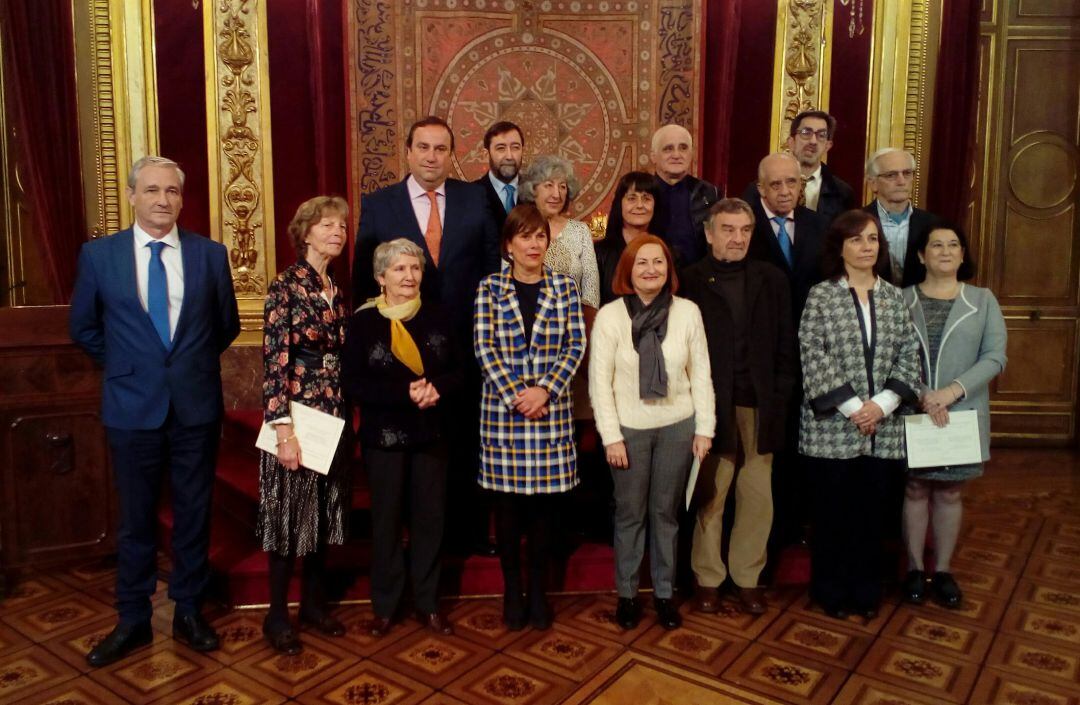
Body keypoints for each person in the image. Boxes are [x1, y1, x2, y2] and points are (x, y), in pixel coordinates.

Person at [70, 156, 240, 667]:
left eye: (171, 191)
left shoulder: (210, 255)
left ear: (182, 199)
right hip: (130, 407)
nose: (162, 200)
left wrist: (182, 369)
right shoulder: (100, 256)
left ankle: (188, 609)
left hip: (195, 406)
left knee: (193, 514)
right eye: (151, 190)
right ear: (132, 196)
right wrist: (128, 365)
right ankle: (133, 618)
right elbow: (84, 327)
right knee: (136, 519)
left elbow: (225, 325)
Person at [352, 116, 500, 557]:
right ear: (409, 151)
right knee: (413, 456)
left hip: (464, 346)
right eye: (424, 147)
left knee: (462, 441)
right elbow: (364, 276)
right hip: (401, 350)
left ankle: (466, 538)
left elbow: (492, 265)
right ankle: (409, 549)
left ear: (450, 154)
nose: (432, 156)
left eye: (441, 148)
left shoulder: (475, 199)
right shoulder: (380, 203)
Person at [798, 210, 921, 620]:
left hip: (882, 429)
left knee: (871, 517)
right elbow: (812, 355)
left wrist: (881, 405)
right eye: (856, 240)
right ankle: (831, 591)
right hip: (833, 428)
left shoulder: (894, 296)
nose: (866, 246)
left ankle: (865, 591)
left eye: (872, 239)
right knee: (832, 515)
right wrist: (854, 409)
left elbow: (908, 355)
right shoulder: (822, 295)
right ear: (840, 247)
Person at [590, 235, 714, 631]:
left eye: (658, 262)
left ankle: (663, 594)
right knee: (630, 516)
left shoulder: (688, 312)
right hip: (628, 430)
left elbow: (701, 374)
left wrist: (704, 429)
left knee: (666, 515)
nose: (650, 270)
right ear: (628, 270)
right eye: (641, 263)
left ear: (668, 269)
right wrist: (610, 436)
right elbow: (599, 383)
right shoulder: (611, 317)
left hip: (678, 426)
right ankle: (627, 595)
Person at [680, 199, 797, 615]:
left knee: (757, 495)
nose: (737, 238)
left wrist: (781, 393)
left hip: (761, 403)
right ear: (710, 233)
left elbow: (786, 343)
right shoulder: (691, 280)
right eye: (728, 229)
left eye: (745, 230)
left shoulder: (771, 278)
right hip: (713, 405)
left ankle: (747, 577)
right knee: (714, 493)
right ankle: (708, 578)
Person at [474, 203, 585, 630]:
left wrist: (545, 391)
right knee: (508, 515)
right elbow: (485, 348)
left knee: (543, 516)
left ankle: (538, 591)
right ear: (509, 245)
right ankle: (512, 591)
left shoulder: (565, 288)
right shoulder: (488, 289)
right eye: (525, 236)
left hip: (550, 415)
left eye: (540, 236)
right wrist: (518, 395)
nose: (534, 244)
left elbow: (575, 345)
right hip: (504, 417)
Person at [344, 238, 461, 637]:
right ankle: (386, 606)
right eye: (399, 269)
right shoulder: (362, 323)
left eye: (415, 268)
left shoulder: (440, 316)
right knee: (387, 523)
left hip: (432, 433)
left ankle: (428, 604)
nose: (409, 276)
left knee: (431, 521)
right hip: (384, 436)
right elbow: (353, 382)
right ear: (381, 277)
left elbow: (463, 371)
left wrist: (438, 389)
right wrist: (403, 394)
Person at [257, 196, 351, 654]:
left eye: (342, 227)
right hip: (296, 417)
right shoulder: (285, 286)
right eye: (327, 225)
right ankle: (277, 616)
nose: (337, 232)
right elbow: (275, 361)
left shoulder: (334, 288)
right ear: (306, 233)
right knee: (288, 519)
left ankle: (313, 605)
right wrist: (283, 431)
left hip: (332, 417)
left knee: (323, 516)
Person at [900, 222, 1007, 609]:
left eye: (953, 245)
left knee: (949, 491)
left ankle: (942, 571)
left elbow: (995, 357)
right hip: (914, 409)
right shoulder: (901, 298)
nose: (945, 251)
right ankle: (914, 568)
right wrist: (922, 395)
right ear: (921, 255)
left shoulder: (983, 300)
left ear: (963, 255)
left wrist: (950, 392)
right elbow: (890, 354)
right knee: (914, 488)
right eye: (936, 245)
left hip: (961, 411)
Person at [746, 152, 827, 321]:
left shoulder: (820, 225)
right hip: (761, 325)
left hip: (808, 326)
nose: (785, 192)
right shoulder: (744, 226)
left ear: (800, 185)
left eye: (791, 182)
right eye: (776, 184)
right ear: (761, 188)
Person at [518, 154, 600, 311]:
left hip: (573, 323)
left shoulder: (580, 231)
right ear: (532, 189)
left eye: (562, 186)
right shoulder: (518, 228)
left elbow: (591, 290)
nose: (557, 194)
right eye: (549, 185)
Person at [862, 148, 936, 287]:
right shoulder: (855, 224)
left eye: (907, 173)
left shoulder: (934, 225)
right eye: (891, 175)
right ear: (873, 183)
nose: (901, 181)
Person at [649, 124, 721, 267]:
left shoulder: (709, 194)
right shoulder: (643, 194)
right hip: (652, 276)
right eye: (668, 149)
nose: (676, 155)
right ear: (653, 156)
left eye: (683, 148)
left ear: (691, 154)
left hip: (699, 280)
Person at [596, 171, 664, 306]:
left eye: (646, 198)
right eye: (632, 198)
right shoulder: (599, 253)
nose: (639, 205)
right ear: (619, 204)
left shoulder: (669, 253)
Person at [784, 110, 855, 225]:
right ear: (791, 142)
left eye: (821, 135)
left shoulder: (843, 193)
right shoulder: (764, 187)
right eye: (806, 132)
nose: (813, 141)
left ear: (828, 146)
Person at [476, 120, 524, 230]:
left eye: (515, 147)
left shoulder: (536, 193)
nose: (509, 156)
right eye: (501, 148)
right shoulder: (472, 195)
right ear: (485, 154)